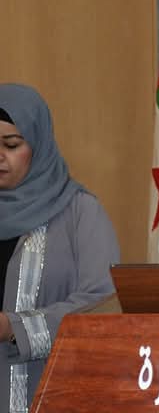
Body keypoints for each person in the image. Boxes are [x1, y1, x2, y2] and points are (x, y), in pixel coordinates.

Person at [0, 83, 120, 410]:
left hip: (49, 393)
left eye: (11, 144)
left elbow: (105, 305)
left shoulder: (79, 212)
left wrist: (16, 328)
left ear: (38, 145)